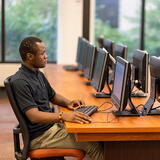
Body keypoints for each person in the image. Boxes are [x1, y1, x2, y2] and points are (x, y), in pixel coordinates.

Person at [11, 36, 104, 160]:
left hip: (50, 128)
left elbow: (53, 96)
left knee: (91, 133)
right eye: (42, 53)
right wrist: (62, 116)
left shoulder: (37, 73)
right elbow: (33, 116)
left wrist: (68, 102)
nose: (46, 56)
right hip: (40, 137)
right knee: (92, 144)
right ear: (30, 56)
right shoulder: (21, 81)